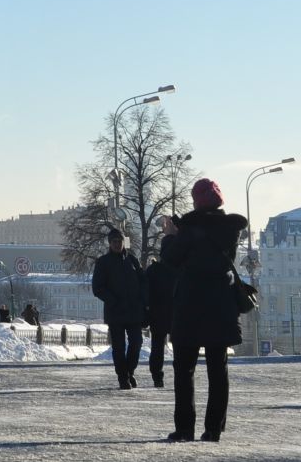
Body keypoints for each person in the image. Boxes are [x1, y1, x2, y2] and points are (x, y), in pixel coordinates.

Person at [160, 178, 248, 444]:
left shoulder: (189, 229)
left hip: (190, 305)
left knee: (184, 369)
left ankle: (185, 428)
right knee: (217, 370)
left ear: (197, 200)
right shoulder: (231, 229)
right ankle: (213, 429)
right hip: (220, 305)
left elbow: (170, 260)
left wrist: (170, 237)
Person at [91, 225, 148, 390]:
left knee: (136, 342)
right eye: (114, 241)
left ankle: (129, 371)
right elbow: (98, 288)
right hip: (115, 312)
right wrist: (113, 300)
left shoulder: (132, 260)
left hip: (134, 311)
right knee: (119, 346)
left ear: (124, 242)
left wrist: (144, 301)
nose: (117, 244)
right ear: (109, 243)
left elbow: (143, 281)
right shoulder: (103, 262)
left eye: (120, 241)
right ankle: (122, 377)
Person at [144, 252, 176, 388]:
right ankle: (181, 376)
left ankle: (157, 376)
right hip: (177, 314)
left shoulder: (153, 270)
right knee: (181, 348)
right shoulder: (182, 268)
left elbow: (145, 292)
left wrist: (147, 309)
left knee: (157, 347)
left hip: (157, 314)